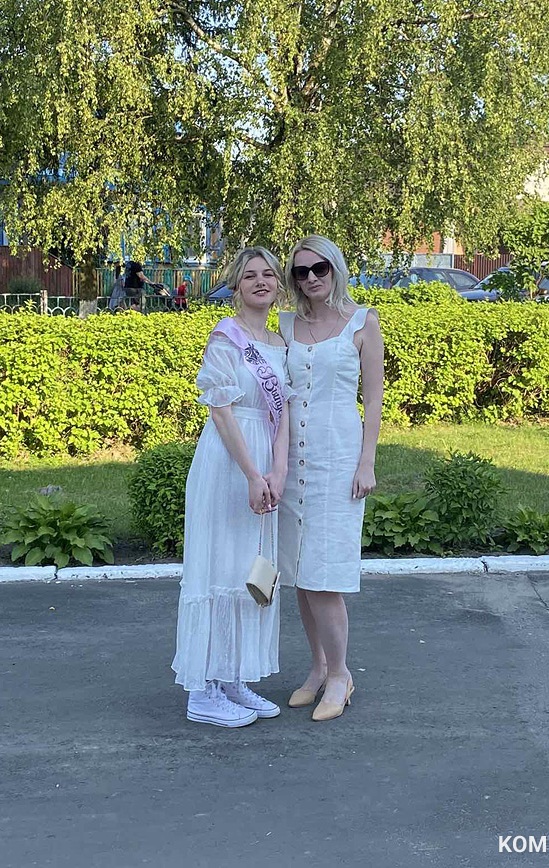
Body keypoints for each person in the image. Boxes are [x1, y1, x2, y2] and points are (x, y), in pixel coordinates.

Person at [172, 246, 295, 728]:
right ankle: (201, 691)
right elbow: (221, 411)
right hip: (229, 461)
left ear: (278, 284)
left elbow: (284, 414)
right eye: (249, 276)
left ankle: (232, 676)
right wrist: (251, 473)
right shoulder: (226, 336)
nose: (260, 281)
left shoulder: (279, 342)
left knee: (249, 567)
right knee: (218, 565)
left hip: (266, 460)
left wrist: (277, 473)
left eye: (268, 274)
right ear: (236, 287)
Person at [278, 235, 384, 721]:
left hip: (339, 459)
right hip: (292, 462)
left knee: (325, 576)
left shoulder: (362, 322)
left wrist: (367, 462)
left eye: (319, 268)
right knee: (301, 575)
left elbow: (374, 398)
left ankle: (341, 674)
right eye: (300, 271)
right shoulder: (286, 326)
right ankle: (318, 667)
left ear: (335, 268)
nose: (311, 278)